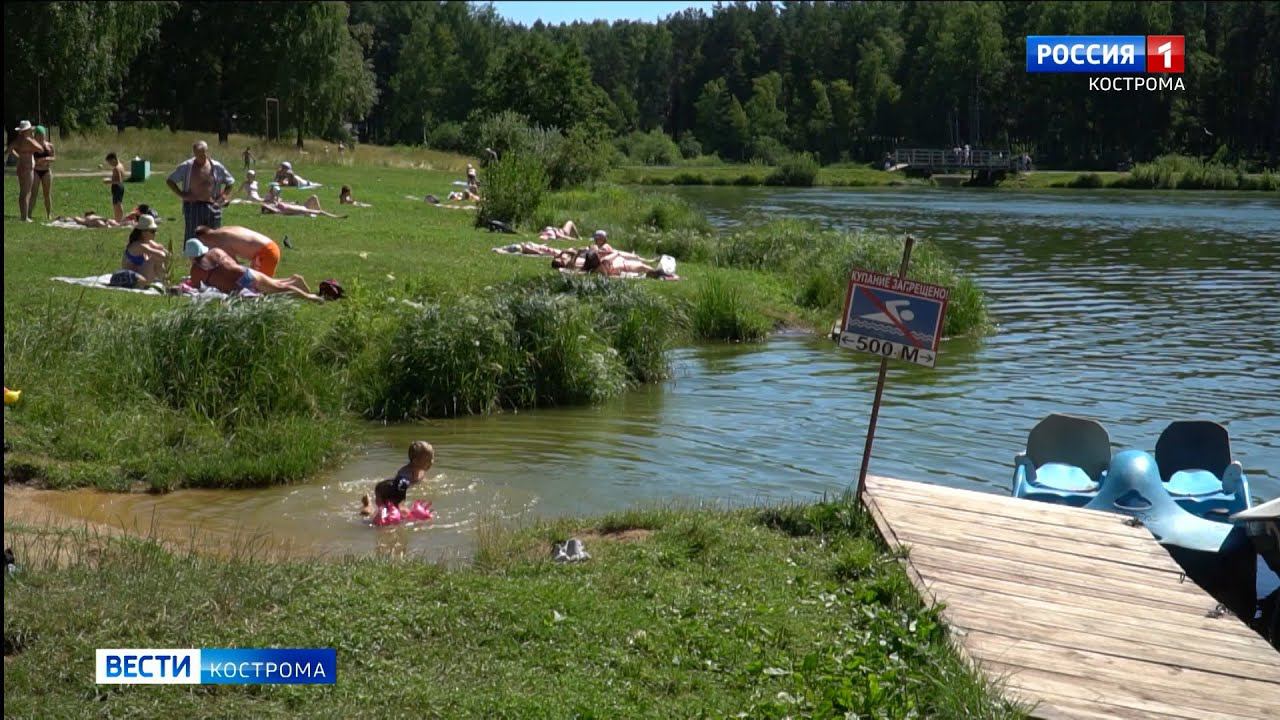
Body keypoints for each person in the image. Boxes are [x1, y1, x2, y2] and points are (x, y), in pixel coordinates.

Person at [183, 238, 322, 301]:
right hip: (245, 274)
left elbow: (199, 288)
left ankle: (309, 298)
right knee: (276, 287)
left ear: (190, 256)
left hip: (237, 287)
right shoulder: (216, 252)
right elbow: (232, 262)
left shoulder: (195, 271)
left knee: (275, 292)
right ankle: (295, 282)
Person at [167, 140, 235, 241]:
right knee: (193, 237)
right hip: (192, 206)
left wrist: (223, 196)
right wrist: (182, 195)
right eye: (198, 154)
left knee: (214, 237)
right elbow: (170, 180)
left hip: (213, 205)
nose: (201, 156)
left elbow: (230, 182)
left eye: (203, 153)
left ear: (207, 152)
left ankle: (212, 256)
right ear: (194, 153)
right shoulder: (186, 166)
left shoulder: (216, 166)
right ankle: (194, 256)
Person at [361, 441, 435, 516]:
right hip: (389, 491)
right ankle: (368, 504)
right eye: (428, 460)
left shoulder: (421, 471)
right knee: (377, 511)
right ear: (416, 461)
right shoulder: (405, 474)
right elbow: (398, 489)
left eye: (432, 458)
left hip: (398, 492)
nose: (432, 462)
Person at [194, 224, 282, 277]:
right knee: (254, 281)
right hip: (266, 248)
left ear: (204, 239)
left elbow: (233, 266)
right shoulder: (223, 230)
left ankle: (291, 290)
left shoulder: (221, 242)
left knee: (261, 286)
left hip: (266, 252)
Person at [7, 121, 41, 222]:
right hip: (28, 167)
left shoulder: (17, 140)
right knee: (26, 192)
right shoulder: (28, 140)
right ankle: (24, 217)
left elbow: (9, 149)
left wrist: (19, 155)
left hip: (20, 166)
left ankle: (23, 215)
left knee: (23, 191)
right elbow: (40, 148)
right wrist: (32, 143)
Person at [121, 214, 168, 283]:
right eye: (152, 231)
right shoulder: (138, 245)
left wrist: (160, 249)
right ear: (143, 232)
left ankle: (165, 282)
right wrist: (159, 249)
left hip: (141, 275)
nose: (155, 233)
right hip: (132, 280)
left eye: (155, 230)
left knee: (157, 259)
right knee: (155, 259)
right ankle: (165, 282)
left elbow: (166, 253)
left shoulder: (148, 242)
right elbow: (163, 255)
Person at [260, 190, 346, 218]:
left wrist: (292, 202)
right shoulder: (279, 211)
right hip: (303, 210)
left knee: (314, 197)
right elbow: (265, 206)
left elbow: (265, 205)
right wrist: (267, 207)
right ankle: (336, 217)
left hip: (302, 207)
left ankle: (319, 210)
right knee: (320, 212)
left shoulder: (278, 205)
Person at [103, 153, 126, 221]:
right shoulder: (121, 165)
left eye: (110, 162)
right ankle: (118, 218)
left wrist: (108, 181)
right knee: (117, 203)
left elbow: (118, 180)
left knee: (117, 204)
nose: (110, 164)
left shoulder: (116, 168)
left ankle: (118, 219)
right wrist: (111, 179)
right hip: (120, 186)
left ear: (114, 159)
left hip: (117, 187)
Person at [57, 210, 121, 228]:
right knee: (110, 222)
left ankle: (106, 226)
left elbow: (75, 219)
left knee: (100, 223)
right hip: (103, 219)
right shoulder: (94, 217)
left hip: (94, 221)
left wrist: (63, 219)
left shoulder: (86, 218)